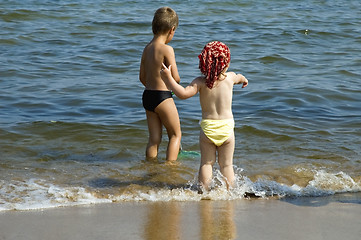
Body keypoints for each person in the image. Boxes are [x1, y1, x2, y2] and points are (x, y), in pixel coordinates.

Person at [160, 41, 248, 190]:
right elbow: (239, 77)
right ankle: (231, 193)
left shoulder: (200, 82)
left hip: (208, 129)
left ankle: (204, 191)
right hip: (226, 128)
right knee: (226, 164)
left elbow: (182, 93)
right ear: (227, 62)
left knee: (206, 163)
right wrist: (244, 79)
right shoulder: (230, 78)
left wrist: (168, 79)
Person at [139, 7, 182, 162]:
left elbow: (142, 77)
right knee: (175, 135)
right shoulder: (167, 49)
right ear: (172, 29)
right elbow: (175, 78)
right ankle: (170, 170)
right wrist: (169, 85)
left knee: (154, 139)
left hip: (148, 96)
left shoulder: (147, 48)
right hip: (162, 96)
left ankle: (150, 167)